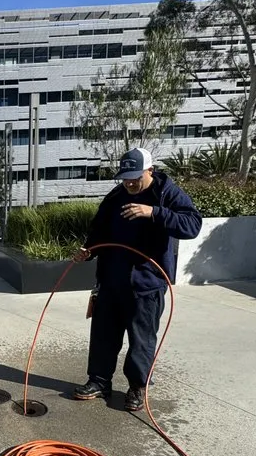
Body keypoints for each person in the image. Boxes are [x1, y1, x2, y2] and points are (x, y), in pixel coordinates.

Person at [71, 147, 202, 411]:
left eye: (135, 176)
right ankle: (99, 381)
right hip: (111, 280)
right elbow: (99, 229)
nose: (129, 182)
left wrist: (153, 212)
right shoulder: (116, 196)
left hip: (146, 283)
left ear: (150, 170)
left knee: (141, 340)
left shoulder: (166, 193)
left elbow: (192, 225)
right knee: (103, 335)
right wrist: (89, 250)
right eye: (125, 177)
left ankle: (137, 387)